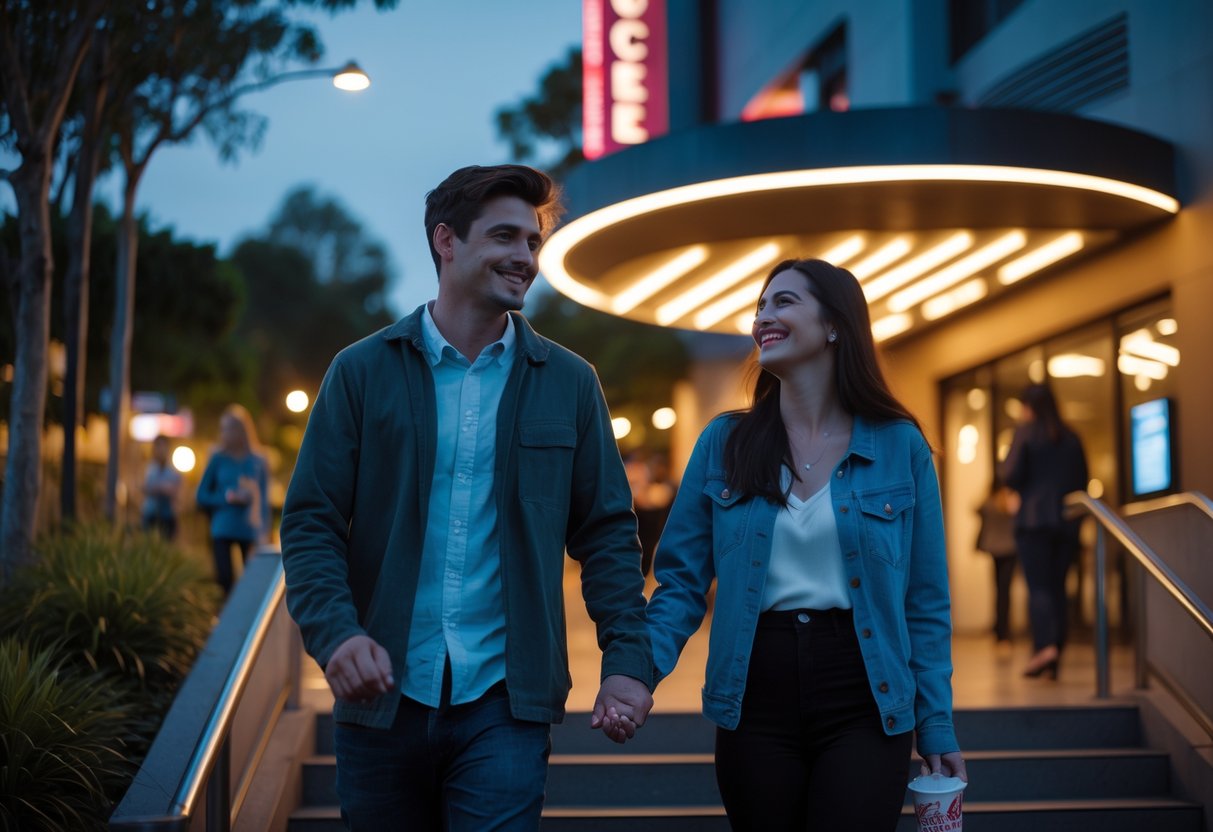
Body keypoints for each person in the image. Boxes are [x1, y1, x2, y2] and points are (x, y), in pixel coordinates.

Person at [279, 164, 653, 831]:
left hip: (504, 703)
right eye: (505, 236)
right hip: (381, 696)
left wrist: (626, 661)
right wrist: (336, 635)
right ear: (445, 241)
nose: (524, 258)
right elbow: (311, 520)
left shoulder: (569, 383)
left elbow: (605, 535)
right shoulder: (361, 372)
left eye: (532, 243)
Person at [646, 258, 966, 831]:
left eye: (784, 302)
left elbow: (925, 602)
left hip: (866, 691)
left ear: (835, 324)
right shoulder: (725, 441)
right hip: (754, 691)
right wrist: (637, 671)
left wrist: (936, 722)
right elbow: (681, 581)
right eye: (760, 306)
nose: (763, 316)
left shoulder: (900, 445)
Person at [1001, 383, 1088, 680]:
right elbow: (1083, 481)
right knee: (1058, 588)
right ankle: (1056, 653)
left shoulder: (1025, 433)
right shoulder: (1072, 437)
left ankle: (1044, 647)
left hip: (1033, 521)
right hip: (1065, 523)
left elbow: (1009, 474)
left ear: (1029, 406)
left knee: (1038, 587)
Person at [196, 404, 270, 595]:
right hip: (222, 528)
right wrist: (228, 498)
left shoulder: (258, 460)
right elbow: (201, 495)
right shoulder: (217, 459)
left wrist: (264, 532)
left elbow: (264, 499)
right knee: (224, 581)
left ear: (241, 431)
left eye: (227, 429)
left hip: (249, 529)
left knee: (251, 584)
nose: (223, 434)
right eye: (222, 429)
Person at [976, 478, 1020, 653]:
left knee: (998, 591)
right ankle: (1004, 633)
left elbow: (976, 509)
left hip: (994, 550)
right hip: (1009, 550)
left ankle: (999, 631)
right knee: (1005, 592)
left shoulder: (989, 503)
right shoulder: (1008, 503)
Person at [141, 435, 182, 540]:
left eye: (164, 447)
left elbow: (177, 492)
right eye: (158, 447)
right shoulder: (147, 468)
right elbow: (142, 487)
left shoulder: (174, 471)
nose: (161, 450)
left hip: (167, 515)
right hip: (150, 514)